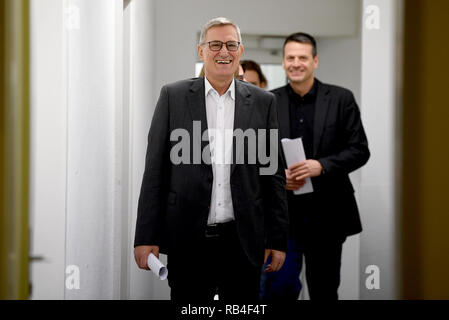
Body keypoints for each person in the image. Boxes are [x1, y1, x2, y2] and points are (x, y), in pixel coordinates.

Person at [134, 17, 289, 301]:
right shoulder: (173, 96)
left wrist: (277, 238)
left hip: (243, 240)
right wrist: (145, 236)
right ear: (201, 50)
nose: (224, 52)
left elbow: (273, 174)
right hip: (188, 237)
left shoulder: (264, 102)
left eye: (231, 45)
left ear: (240, 51)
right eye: (215, 44)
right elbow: (155, 171)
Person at [260, 32, 370, 300]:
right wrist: (276, 176)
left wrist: (321, 166)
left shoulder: (341, 99)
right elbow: (256, 156)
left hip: (328, 215)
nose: (296, 63)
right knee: (279, 289)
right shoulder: (268, 102)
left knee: (324, 290)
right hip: (283, 217)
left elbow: (359, 150)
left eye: (303, 57)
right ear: (284, 62)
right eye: (290, 58)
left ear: (315, 61)